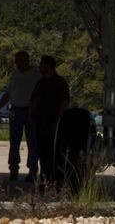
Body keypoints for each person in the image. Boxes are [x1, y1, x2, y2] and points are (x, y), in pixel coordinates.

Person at [0, 50, 40, 181]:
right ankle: (13, 168)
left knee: (33, 142)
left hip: (31, 111)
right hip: (16, 111)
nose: (17, 63)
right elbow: (8, 94)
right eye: (16, 61)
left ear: (26, 60)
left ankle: (33, 169)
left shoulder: (36, 74)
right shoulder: (15, 75)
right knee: (14, 142)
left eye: (19, 60)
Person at [28, 55, 70, 187]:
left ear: (48, 66)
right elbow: (34, 100)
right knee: (42, 152)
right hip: (40, 122)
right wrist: (31, 116)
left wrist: (58, 119)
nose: (40, 67)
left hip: (53, 122)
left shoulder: (60, 82)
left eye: (42, 64)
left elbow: (64, 101)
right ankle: (44, 178)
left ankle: (55, 180)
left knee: (54, 152)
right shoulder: (40, 83)